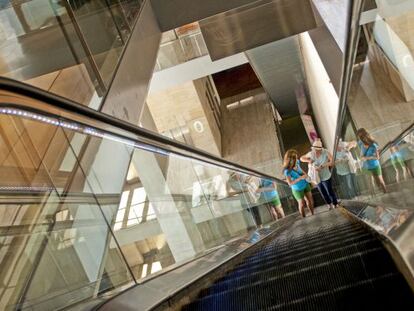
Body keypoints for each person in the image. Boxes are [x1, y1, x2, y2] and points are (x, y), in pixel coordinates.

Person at [301, 139, 339, 210]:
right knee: (322, 192)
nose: (315, 151)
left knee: (329, 190)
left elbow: (332, 162)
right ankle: (329, 204)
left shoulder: (325, 152)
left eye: (316, 149)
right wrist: (309, 160)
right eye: (314, 149)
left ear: (320, 149)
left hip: (326, 175)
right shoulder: (311, 153)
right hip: (316, 177)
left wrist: (322, 166)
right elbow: (301, 158)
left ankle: (335, 203)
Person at [283, 149, 314, 217]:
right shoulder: (287, 171)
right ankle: (304, 218)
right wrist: (300, 178)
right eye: (295, 158)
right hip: (297, 189)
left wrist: (306, 176)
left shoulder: (297, 162)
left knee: (310, 199)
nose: (297, 159)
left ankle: (313, 214)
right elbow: (290, 183)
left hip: (305, 184)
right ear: (290, 159)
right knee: (302, 204)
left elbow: (300, 169)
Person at [355, 128, 387, 193]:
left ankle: (385, 192)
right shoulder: (361, 144)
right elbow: (361, 156)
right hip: (366, 166)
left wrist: (367, 158)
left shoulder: (373, 145)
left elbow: (377, 157)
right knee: (370, 182)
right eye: (359, 136)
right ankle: (374, 196)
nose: (360, 138)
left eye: (360, 136)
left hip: (375, 165)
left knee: (381, 180)